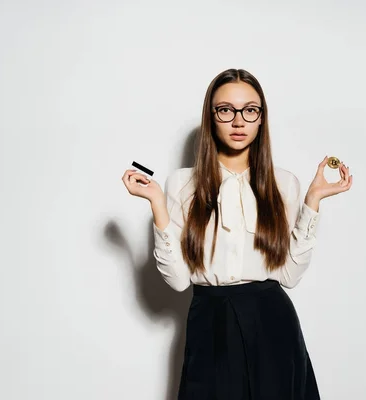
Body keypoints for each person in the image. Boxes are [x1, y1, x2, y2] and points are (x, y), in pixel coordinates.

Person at [122, 68, 353, 399]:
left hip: (273, 324)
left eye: (250, 110)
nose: (239, 121)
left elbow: (289, 275)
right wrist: (157, 204)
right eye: (226, 110)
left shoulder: (284, 183)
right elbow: (178, 281)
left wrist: (312, 203)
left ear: (261, 118)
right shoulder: (181, 183)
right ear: (211, 117)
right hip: (209, 322)